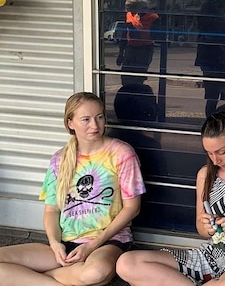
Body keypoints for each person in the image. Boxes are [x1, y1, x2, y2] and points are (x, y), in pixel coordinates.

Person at [117, 112, 225, 286]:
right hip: (209, 255)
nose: (215, 160)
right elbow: (201, 227)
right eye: (209, 153)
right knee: (127, 263)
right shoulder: (205, 174)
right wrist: (208, 226)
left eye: (221, 152)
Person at [0, 92, 145, 286]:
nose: (95, 125)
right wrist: (54, 243)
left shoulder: (121, 153)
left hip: (106, 241)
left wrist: (91, 246)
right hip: (66, 243)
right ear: (70, 123)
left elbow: (132, 208)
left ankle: (28, 279)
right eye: (86, 119)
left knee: (96, 272)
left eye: (99, 117)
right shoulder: (59, 159)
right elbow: (52, 210)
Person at [117, 0, 159, 86]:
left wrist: (136, 30)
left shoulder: (153, 18)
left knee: (138, 77)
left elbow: (153, 36)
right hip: (130, 48)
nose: (129, 11)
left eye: (131, 9)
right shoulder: (129, 15)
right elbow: (125, 34)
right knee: (125, 76)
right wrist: (121, 52)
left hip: (144, 49)